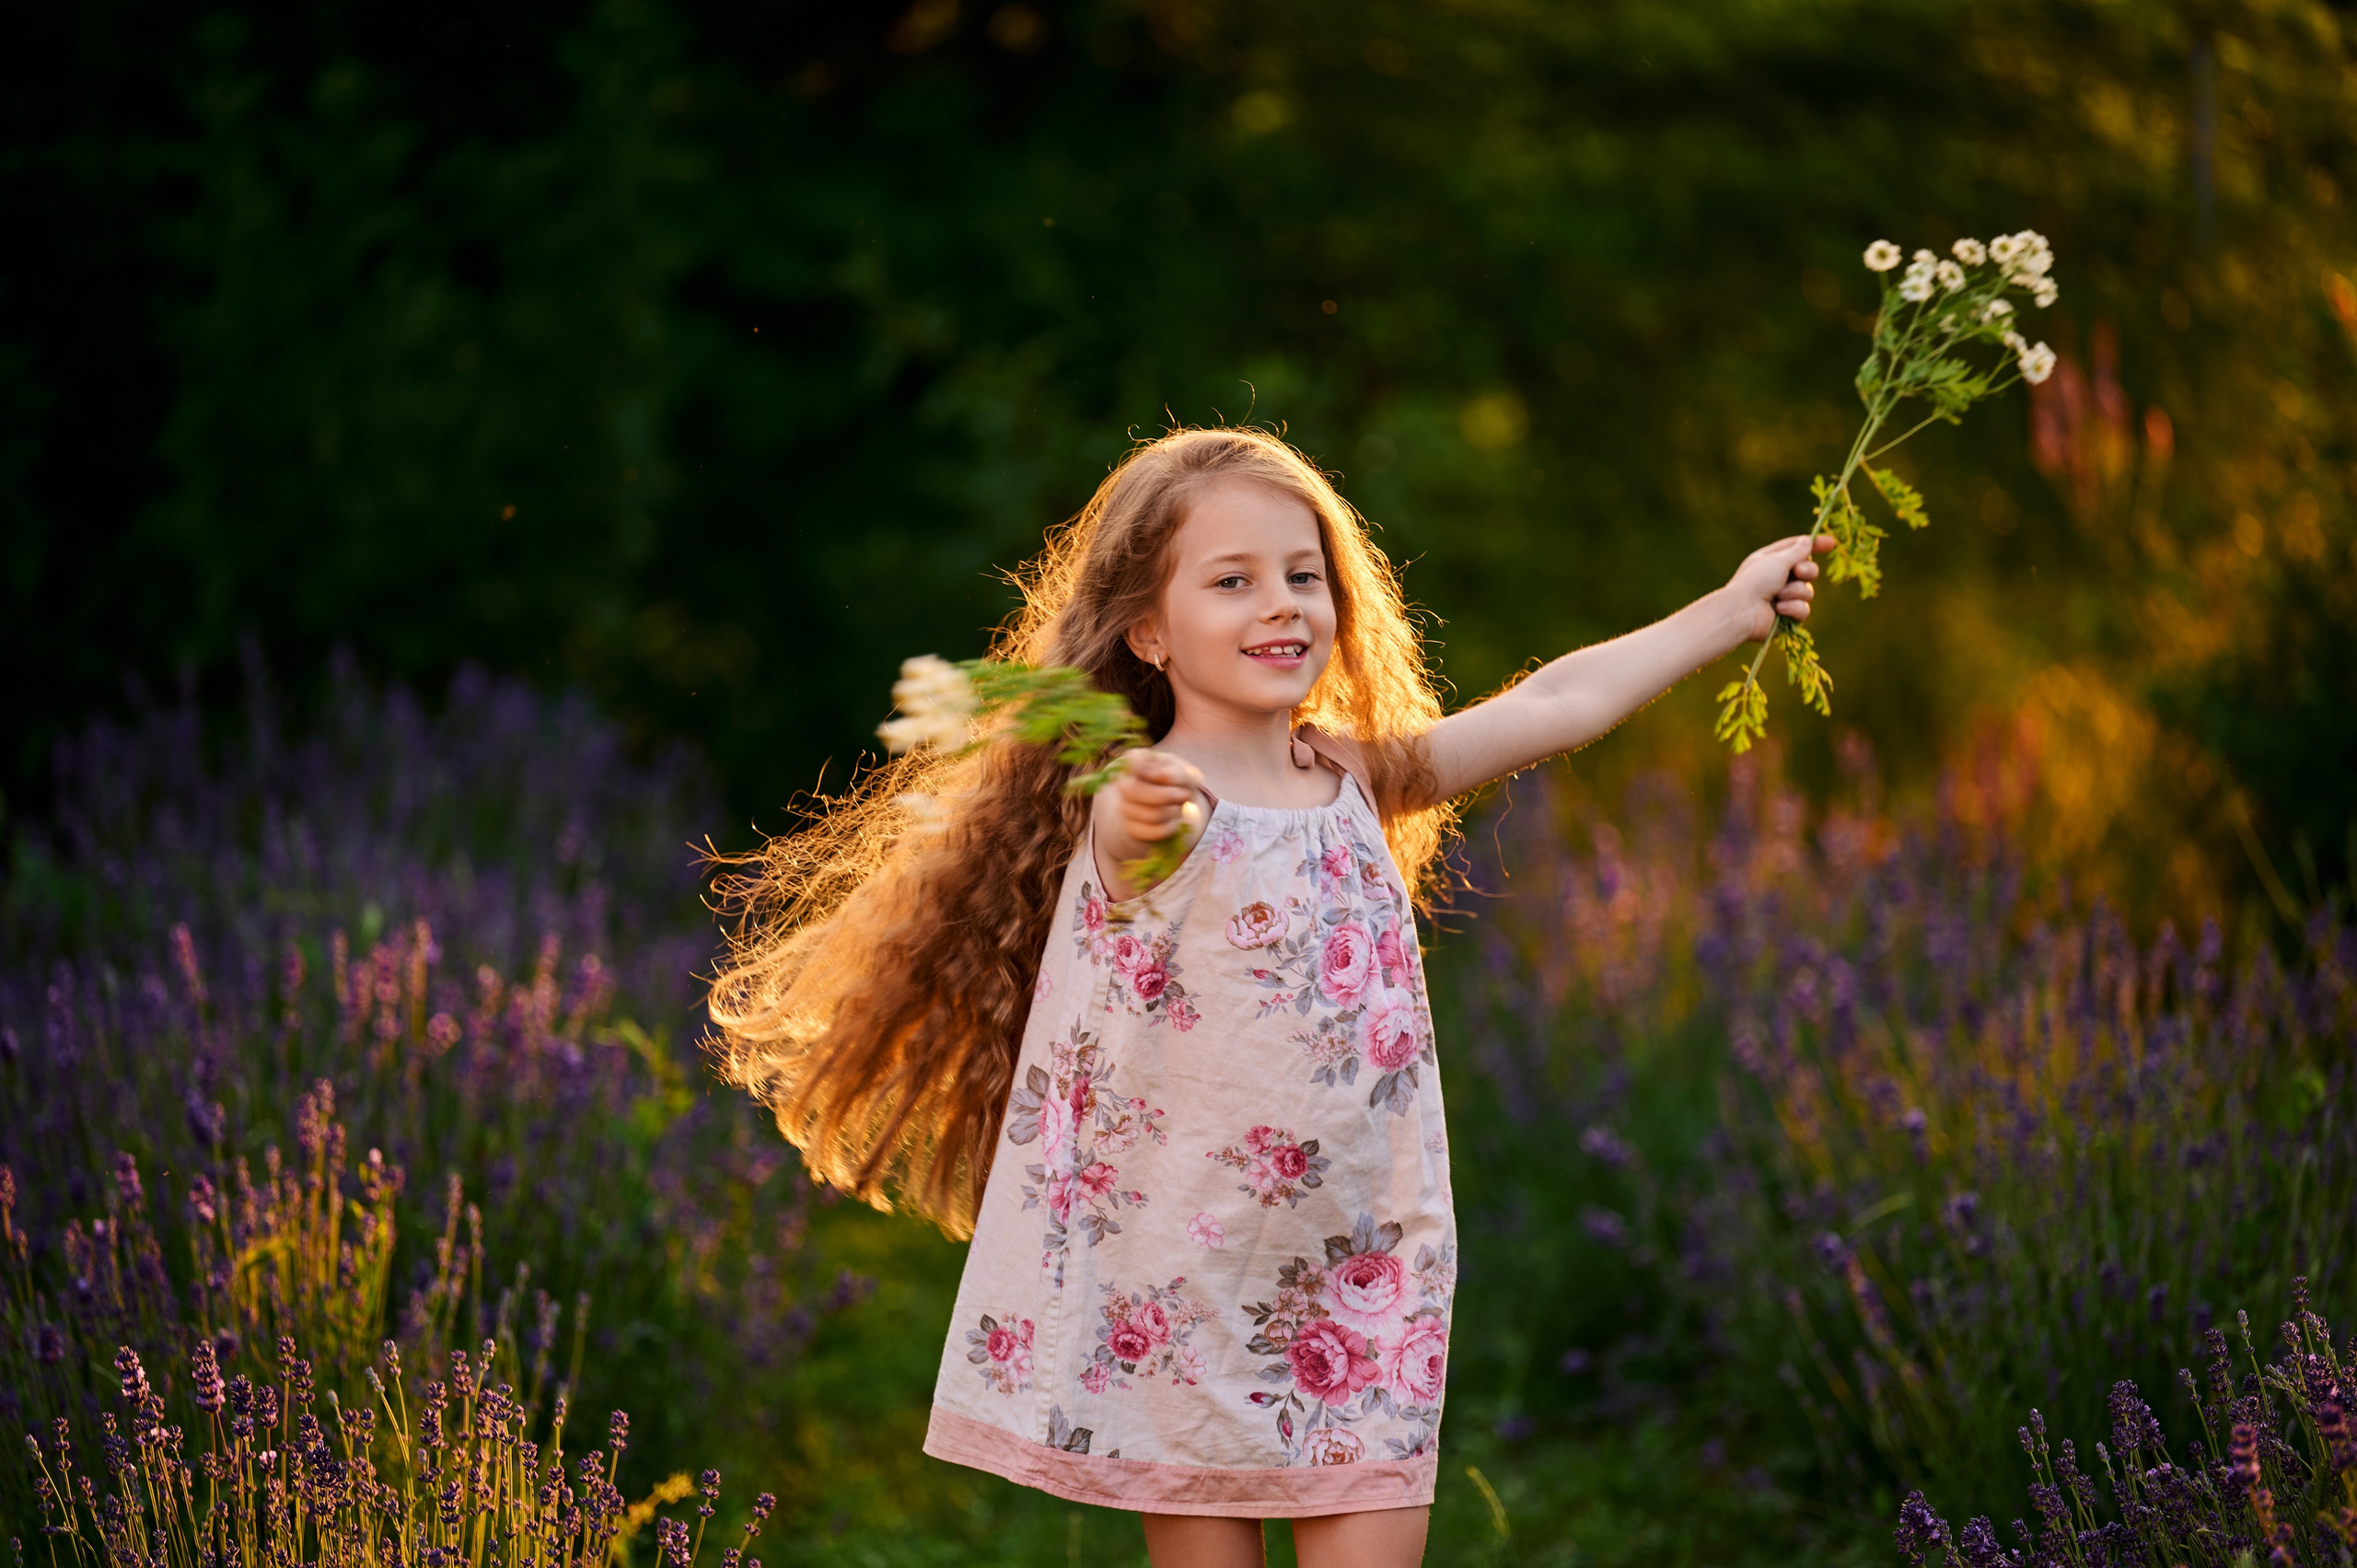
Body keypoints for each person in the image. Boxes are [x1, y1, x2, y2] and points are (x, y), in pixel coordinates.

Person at [707, 426, 1827, 1568]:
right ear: (1149, 630)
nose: (1281, 603)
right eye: (1232, 581)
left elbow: (1557, 699)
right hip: (1182, 1289)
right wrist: (1135, 802)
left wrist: (1730, 610)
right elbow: (1134, 833)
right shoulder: (1149, 803)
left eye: (1302, 575)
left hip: (1361, 1269)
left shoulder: (1354, 777)